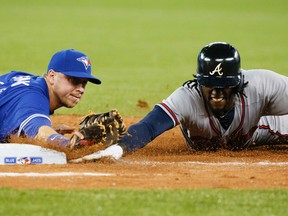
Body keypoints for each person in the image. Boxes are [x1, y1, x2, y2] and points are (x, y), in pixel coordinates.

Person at [71, 42, 288, 163]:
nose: (216, 92)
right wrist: (117, 149)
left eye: (223, 85)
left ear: (238, 84)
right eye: (210, 84)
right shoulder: (187, 98)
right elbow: (149, 126)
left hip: (261, 128)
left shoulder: (262, 85)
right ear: (199, 81)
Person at [0, 49, 101, 147]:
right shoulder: (33, 98)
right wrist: (64, 143)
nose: (81, 89)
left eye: (84, 83)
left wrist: (49, 130)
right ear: (52, 76)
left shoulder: (23, 79)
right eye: (74, 81)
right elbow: (40, 131)